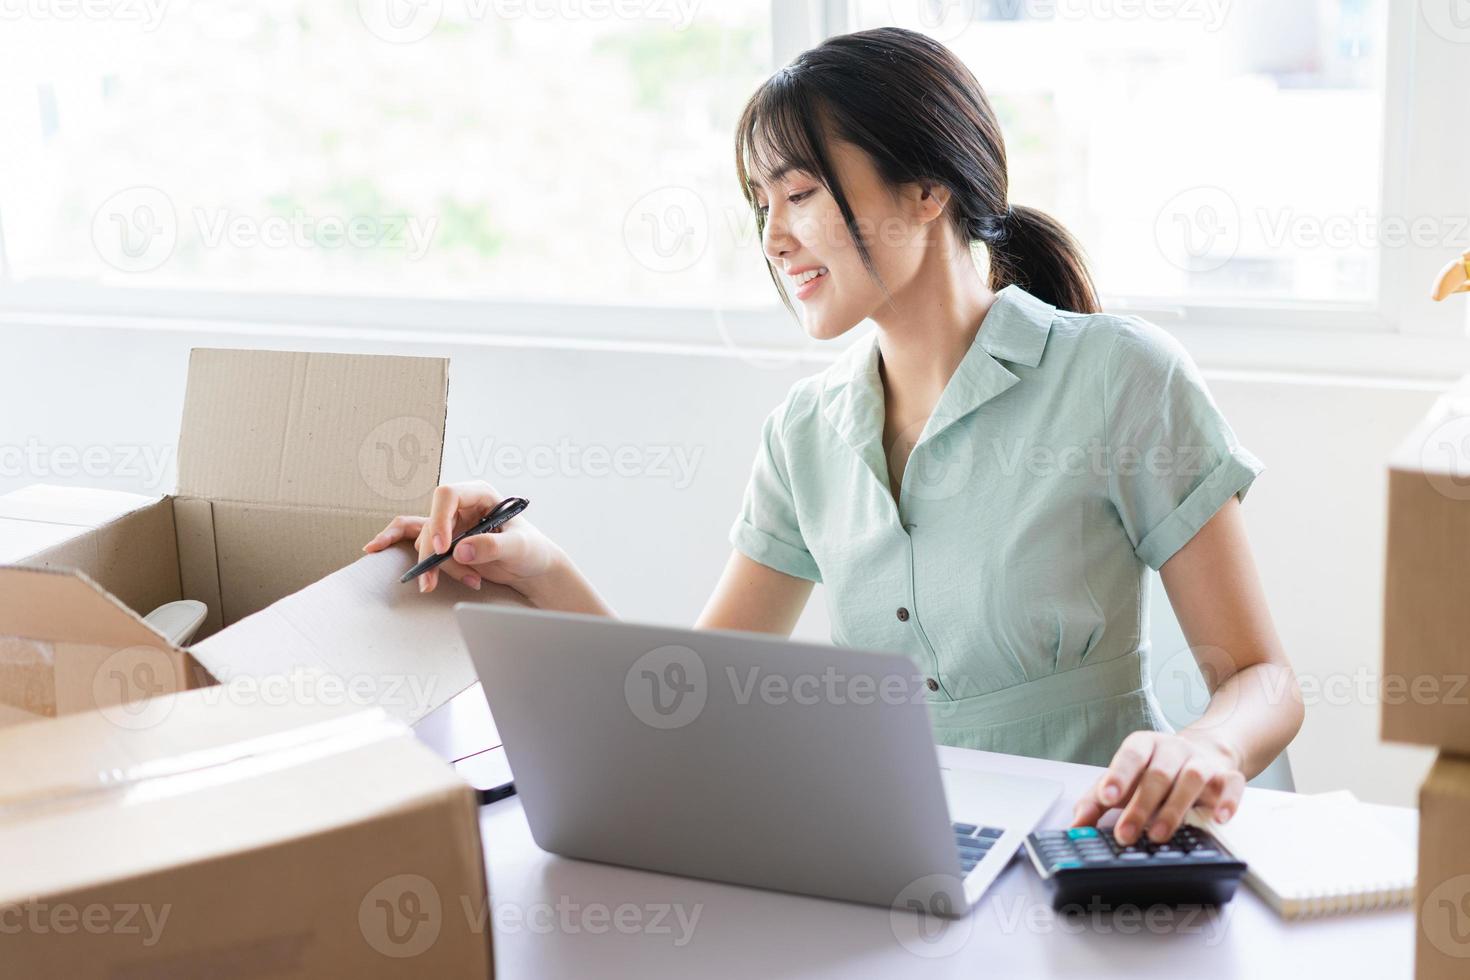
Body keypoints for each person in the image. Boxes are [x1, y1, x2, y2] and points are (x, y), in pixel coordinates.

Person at [365, 27, 1303, 848]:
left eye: (801, 192)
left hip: (1089, 851)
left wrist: (1205, 745)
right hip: (889, 861)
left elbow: (1264, 678)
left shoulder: (1121, 377)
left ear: (927, 187)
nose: (774, 236)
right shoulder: (806, 433)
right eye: (759, 205)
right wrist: (533, 564)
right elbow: (687, 701)